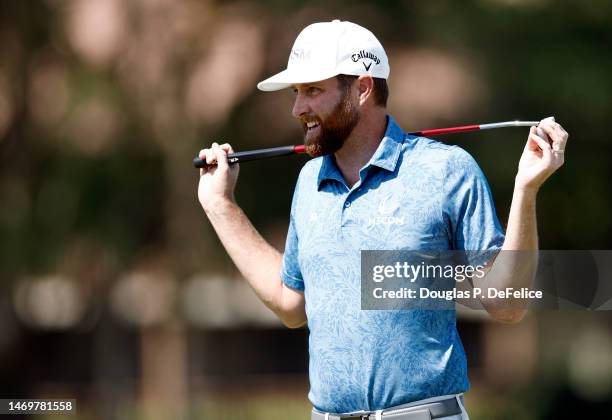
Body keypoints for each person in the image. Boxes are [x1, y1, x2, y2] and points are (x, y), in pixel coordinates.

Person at [197, 20, 568, 420]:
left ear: (362, 88)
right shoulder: (309, 181)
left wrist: (525, 189)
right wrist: (220, 205)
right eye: (296, 93)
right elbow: (291, 304)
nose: (298, 108)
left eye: (313, 91)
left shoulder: (446, 170)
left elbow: (507, 306)